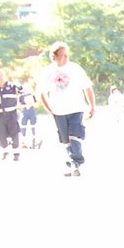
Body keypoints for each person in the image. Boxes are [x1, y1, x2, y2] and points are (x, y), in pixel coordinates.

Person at [39, 41, 95, 177]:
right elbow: (42, 93)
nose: (65, 58)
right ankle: (72, 163)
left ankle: (75, 161)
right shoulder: (48, 72)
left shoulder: (75, 68)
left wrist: (92, 105)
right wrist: (49, 109)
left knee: (75, 136)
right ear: (54, 57)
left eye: (67, 55)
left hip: (76, 108)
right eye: (62, 55)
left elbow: (87, 87)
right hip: (58, 110)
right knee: (65, 140)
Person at [0, 68, 22, 162]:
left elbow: (21, 91)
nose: (0, 77)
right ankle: (5, 151)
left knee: (14, 133)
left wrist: (19, 86)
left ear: (4, 75)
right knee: (0, 133)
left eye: (1, 75)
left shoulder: (11, 85)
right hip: (1, 115)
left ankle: (16, 154)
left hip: (11, 113)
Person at [19, 80, 41, 150]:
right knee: (23, 125)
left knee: (33, 125)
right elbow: (19, 104)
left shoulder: (32, 95)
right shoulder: (21, 96)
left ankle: (34, 140)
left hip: (31, 110)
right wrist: (25, 105)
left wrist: (31, 103)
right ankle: (23, 141)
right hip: (24, 110)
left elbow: (35, 103)